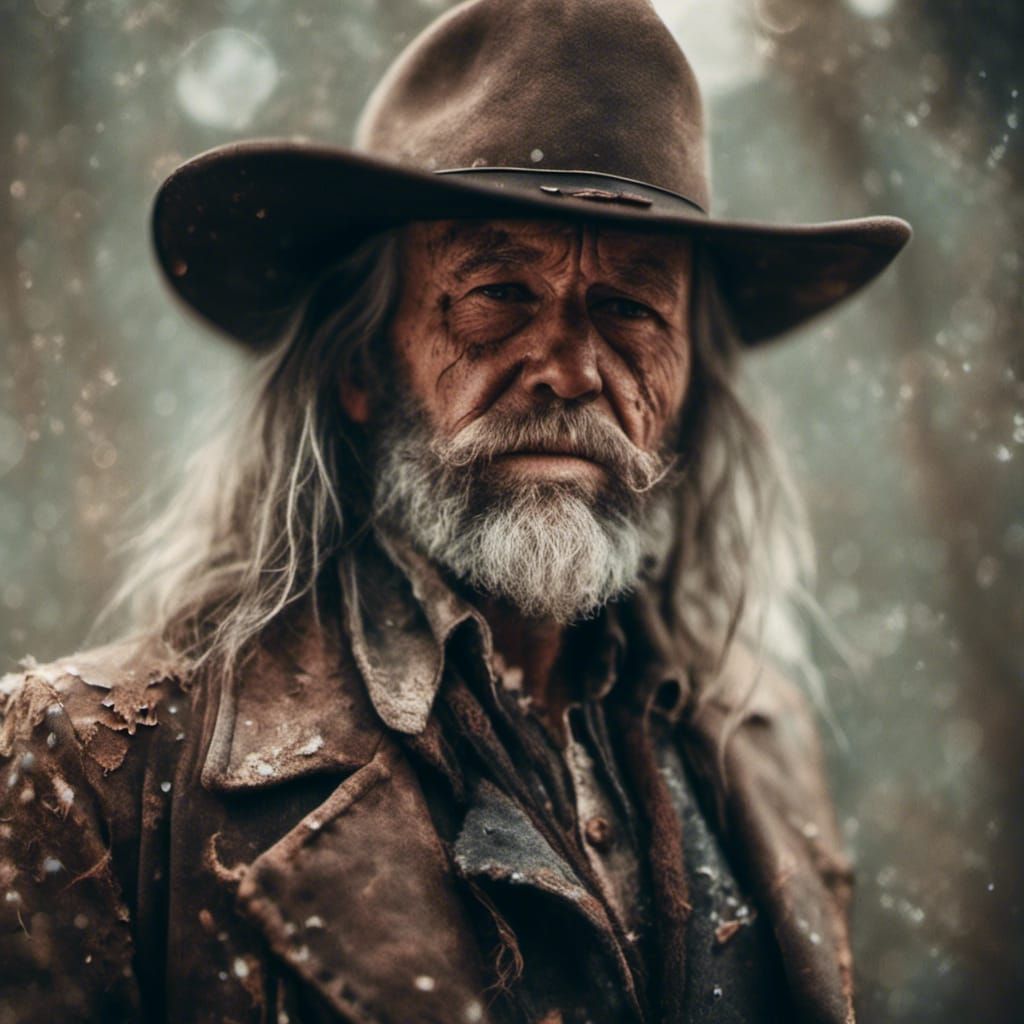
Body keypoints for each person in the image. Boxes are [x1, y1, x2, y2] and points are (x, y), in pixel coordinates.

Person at [0, 1, 910, 1021]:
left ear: (687, 381)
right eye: (500, 293)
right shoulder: (98, 768)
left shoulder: (762, 740)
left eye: (629, 309)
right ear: (357, 363)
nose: (569, 368)